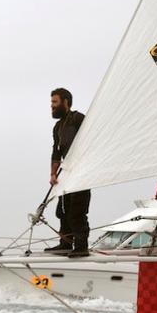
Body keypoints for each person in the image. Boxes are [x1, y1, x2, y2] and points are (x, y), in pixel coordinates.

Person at [44, 88, 91, 258]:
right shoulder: (57, 127)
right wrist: (53, 174)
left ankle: (81, 246)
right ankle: (65, 242)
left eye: (55, 102)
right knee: (62, 210)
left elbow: (90, 141)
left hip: (81, 172)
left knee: (77, 211)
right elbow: (56, 152)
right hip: (67, 173)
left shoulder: (78, 119)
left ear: (65, 102)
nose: (52, 106)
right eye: (51, 103)